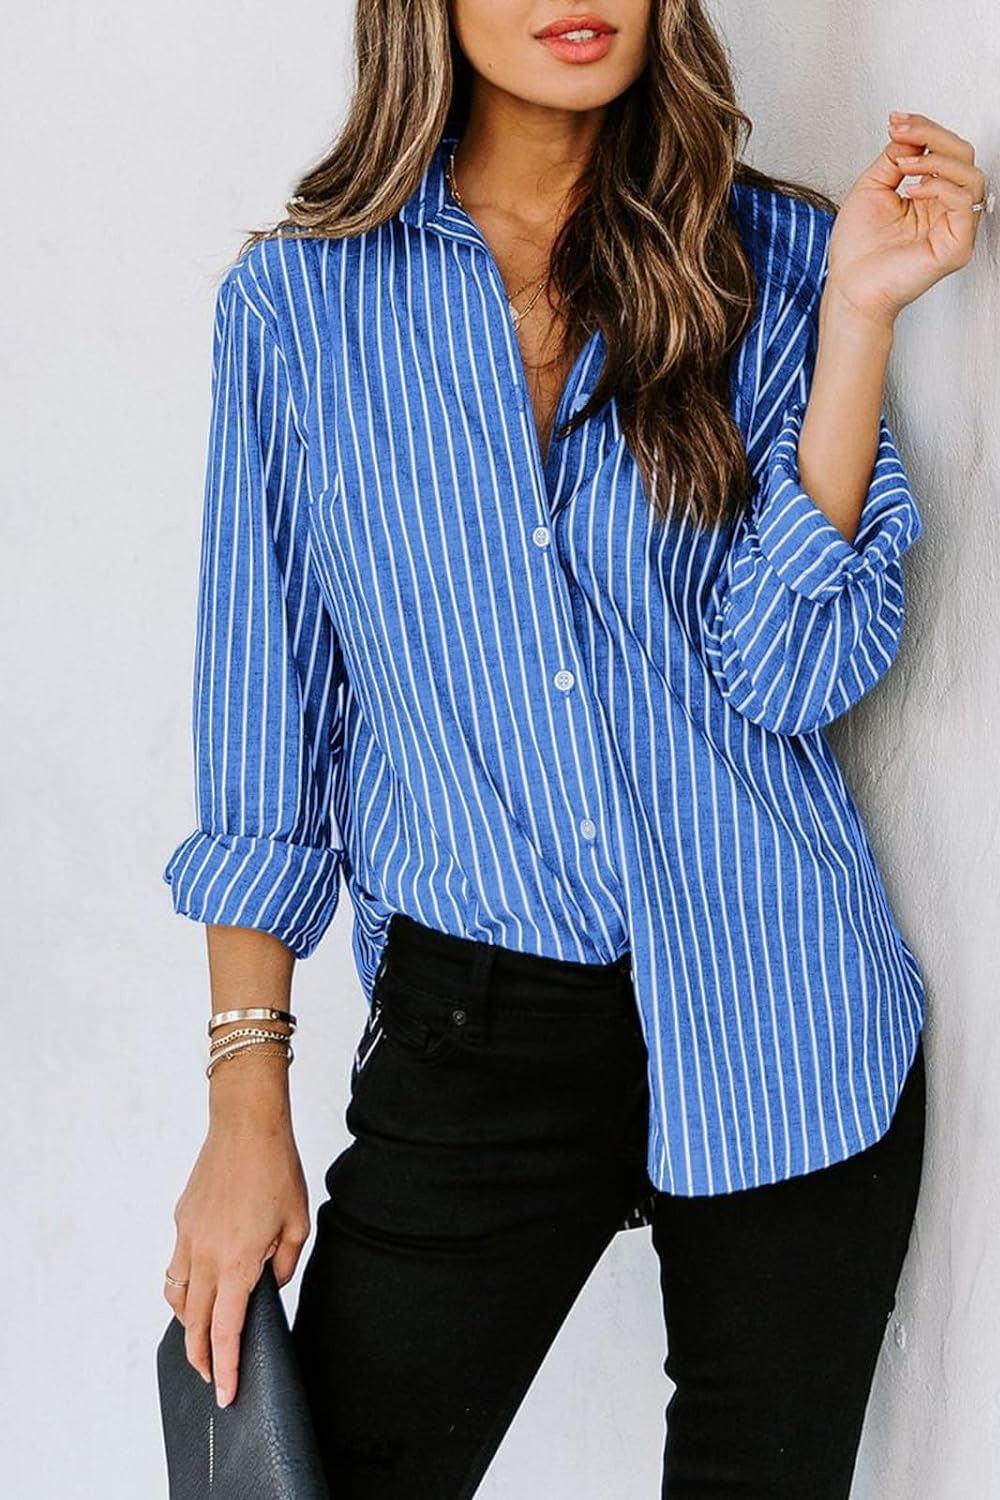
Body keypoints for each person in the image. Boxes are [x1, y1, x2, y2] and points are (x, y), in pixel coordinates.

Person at [160, 2, 989, 1495]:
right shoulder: (300, 310)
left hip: (782, 1012)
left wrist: (860, 314)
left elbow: (794, 670)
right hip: (477, 1042)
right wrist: (244, 1108)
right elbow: (260, 737)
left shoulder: (779, 265)